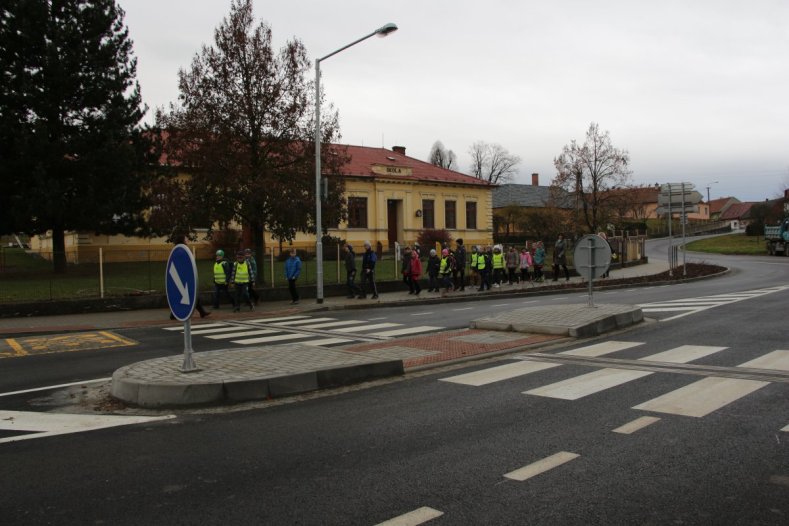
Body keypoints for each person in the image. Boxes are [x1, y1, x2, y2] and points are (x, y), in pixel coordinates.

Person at [169, 235, 209, 319]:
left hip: (184, 277)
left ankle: (202, 312)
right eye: (186, 238)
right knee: (189, 295)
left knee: (190, 295)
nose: (187, 239)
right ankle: (173, 314)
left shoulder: (181, 249)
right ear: (182, 240)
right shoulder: (180, 250)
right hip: (182, 278)